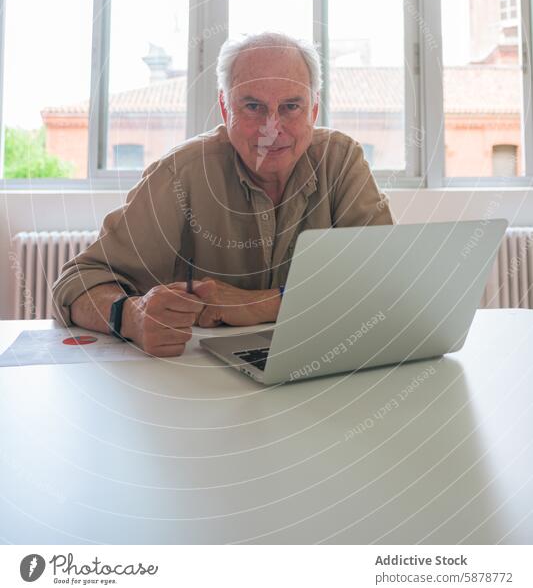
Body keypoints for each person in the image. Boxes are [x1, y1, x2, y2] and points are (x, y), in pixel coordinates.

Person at [52, 32, 393, 357]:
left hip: (322, 369)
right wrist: (131, 316)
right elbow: (76, 283)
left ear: (314, 110)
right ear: (224, 107)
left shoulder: (342, 160)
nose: (272, 127)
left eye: (291, 106)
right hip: (199, 386)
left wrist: (256, 304)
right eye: (253, 106)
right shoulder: (179, 173)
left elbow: (389, 280)